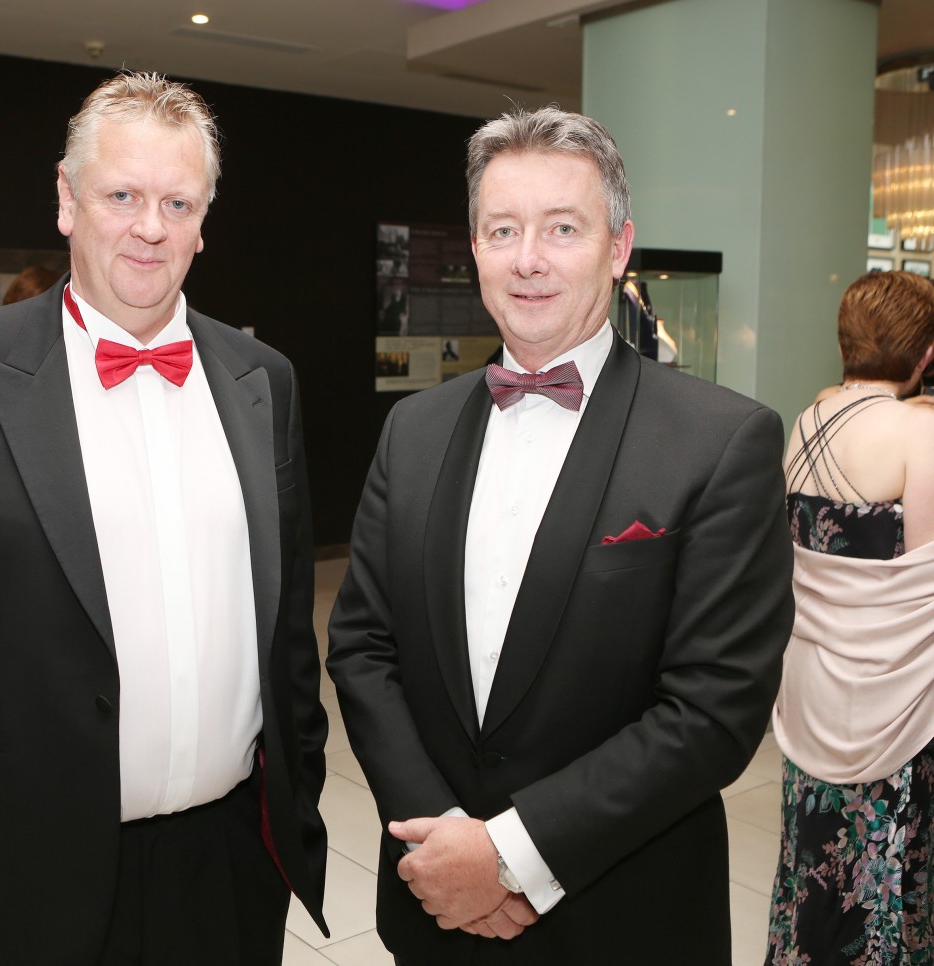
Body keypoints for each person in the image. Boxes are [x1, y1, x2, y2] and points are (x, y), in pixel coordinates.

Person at [0, 71, 328, 965]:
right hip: (29, 865)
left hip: (228, 865)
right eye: (122, 196)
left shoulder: (265, 380)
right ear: (67, 200)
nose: (151, 228)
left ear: (204, 221)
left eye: (178, 202)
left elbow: (289, 633)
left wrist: (296, 810)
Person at [325, 106, 795, 965]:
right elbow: (361, 646)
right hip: (436, 906)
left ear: (618, 249)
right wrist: (448, 845)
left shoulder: (722, 441)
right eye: (503, 229)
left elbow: (714, 709)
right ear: (476, 248)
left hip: (623, 918)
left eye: (563, 228)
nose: (528, 258)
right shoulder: (413, 429)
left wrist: (509, 856)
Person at [766, 270, 934, 964]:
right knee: (889, 865)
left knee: (812, 854)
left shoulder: (811, 417)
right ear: (925, 352)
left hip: (813, 686)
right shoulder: (918, 432)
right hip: (897, 701)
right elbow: (923, 583)